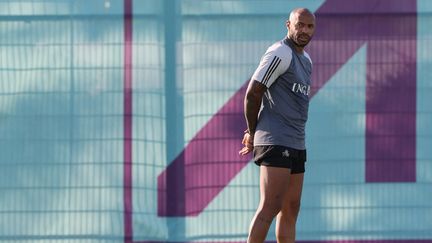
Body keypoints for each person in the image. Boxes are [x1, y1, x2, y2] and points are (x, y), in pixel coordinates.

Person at [239, 8, 316, 243]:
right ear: (288, 25)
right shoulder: (280, 53)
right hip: (275, 140)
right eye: (299, 24)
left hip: (296, 141)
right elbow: (253, 93)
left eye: (309, 26)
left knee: (291, 208)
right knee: (270, 206)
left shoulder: (306, 60)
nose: (304, 30)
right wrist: (253, 132)